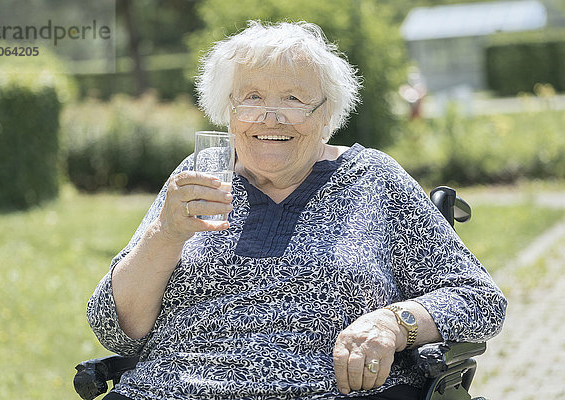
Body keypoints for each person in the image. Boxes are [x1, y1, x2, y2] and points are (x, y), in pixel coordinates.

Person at [87, 20, 506, 400]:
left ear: (327, 114)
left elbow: (480, 299)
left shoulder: (373, 178)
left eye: (293, 99)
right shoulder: (199, 175)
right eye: (251, 98)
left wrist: (393, 323)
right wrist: (166, 234)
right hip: (169, 389)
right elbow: (113, 328)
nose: (271, 118)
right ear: (228, 112)